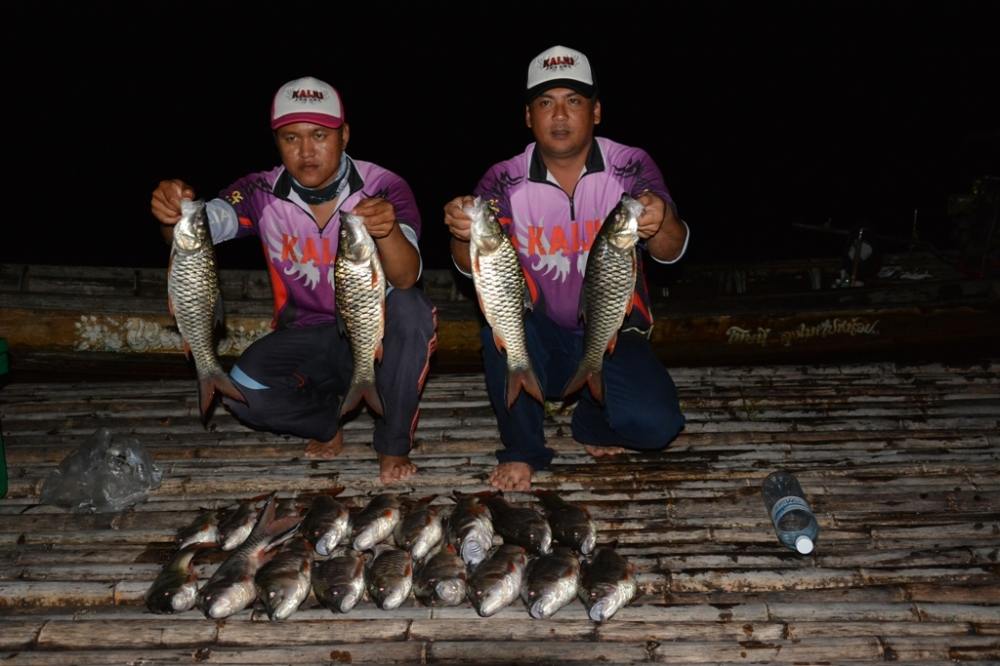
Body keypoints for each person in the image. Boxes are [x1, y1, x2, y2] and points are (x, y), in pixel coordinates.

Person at [151, 76, 436, 484]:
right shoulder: (259, 191)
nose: (306, 151)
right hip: (304, 337)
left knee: (411, 308)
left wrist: (387, 231)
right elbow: (199, 228)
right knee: (243, 394)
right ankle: (326, 420)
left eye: (320, 135)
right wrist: (172, 213)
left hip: (373, 330)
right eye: (291, 138)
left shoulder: (384, 187)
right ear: (276, 140)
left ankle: (391, 444)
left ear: (345, 134)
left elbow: (407, 276)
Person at [444, 46, 688, 491]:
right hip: (538, 333)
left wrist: (662, 218)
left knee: (658, 427)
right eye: (545, 103)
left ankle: (592, 421)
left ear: (596, 112)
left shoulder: (630, 165)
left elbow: (671, 251)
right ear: (528, 117)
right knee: (498, 326)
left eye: (573, 101)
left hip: (614, 332)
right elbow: (470, 267)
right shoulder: (503, 178)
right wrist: (463, 233)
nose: (559, 115)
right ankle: (522, 448)